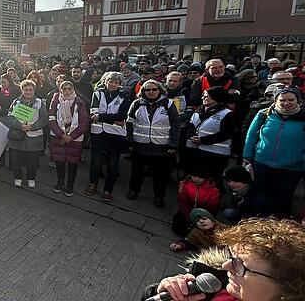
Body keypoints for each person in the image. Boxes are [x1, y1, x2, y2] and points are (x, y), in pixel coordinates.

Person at [151, 218, 305, 301]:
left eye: (241, 265)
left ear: (287, 287)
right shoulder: (216, 284)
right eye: (232, 256)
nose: (225, 265)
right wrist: (160, 292)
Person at [243, 87, 305, 218]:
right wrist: (247, 157)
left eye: (291, 100)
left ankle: (280, 226)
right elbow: (251, 136)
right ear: (276, 100)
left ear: (298, 101)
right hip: (261, 163)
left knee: (283, 199)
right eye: (282, 100)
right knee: (260, 195)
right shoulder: (264, 114)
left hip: (291, 167)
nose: (286, 103)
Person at [126, 79, 181, 208]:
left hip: (161, 147)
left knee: (160, 175)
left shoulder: (169, 104)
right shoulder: (136, 104)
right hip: (140, 145)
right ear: (143, 91)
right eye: (147, 89)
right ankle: (134, 190)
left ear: (160, 90)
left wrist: (174, 144)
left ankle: (159, 196)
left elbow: (175, 125)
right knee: (136, 172)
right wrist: (129, 140)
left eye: (154, 89)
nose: (151, 92)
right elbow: (130, 122)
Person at [87, 72, 130, 201]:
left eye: (116, 82)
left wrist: (101, 117)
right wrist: (110, 118)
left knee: (113, 163)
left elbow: (122, 116)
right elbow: (93, 113)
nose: (113, 84)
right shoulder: (98, 94)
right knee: (96, 161)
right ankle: (92, 184)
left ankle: (108, 189)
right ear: (105, 82)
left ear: (119, 84)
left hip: (115, 134)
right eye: (110, 81)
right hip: (98, 133)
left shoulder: (124, 97)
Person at [184, 86, 236, 191]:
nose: (203, 98)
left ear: (215, 98)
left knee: (213, 180)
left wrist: (203, 140)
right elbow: (190, 125)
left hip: (216, 154)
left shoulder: (227, 114)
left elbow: (226, 133)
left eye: (206, 96)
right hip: (197, 150)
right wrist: (191, 135)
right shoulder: (199, 110)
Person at [4, 79, 48, 189]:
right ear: (22, 90)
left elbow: (44, 120)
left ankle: (31, 178)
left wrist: (32, 127)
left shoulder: (39, 103)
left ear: (34, 90)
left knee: (33, 161)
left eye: (30, 90)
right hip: (17, 136)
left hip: (34, 137)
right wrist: (20, 126)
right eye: (26, 90)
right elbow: (10, 118)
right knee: (16, 160)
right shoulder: (16, 102)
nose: (28, 92)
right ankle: (17, 177)